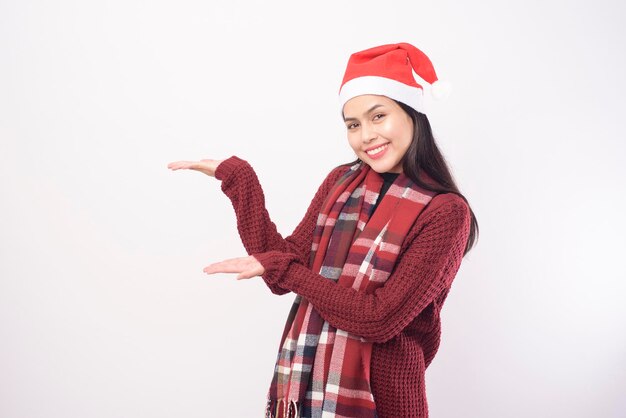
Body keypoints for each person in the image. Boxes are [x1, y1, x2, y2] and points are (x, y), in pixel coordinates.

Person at [167, 42, 479, 418]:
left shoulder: (446, 212)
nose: (366, 136)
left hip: (386, 404)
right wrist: (240, 181)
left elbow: (379, 318)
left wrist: (282, 268)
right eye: (353, 125)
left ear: (413, 114)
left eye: (378, 116)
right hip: (309, 395)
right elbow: (282, 270)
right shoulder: (339, 183)